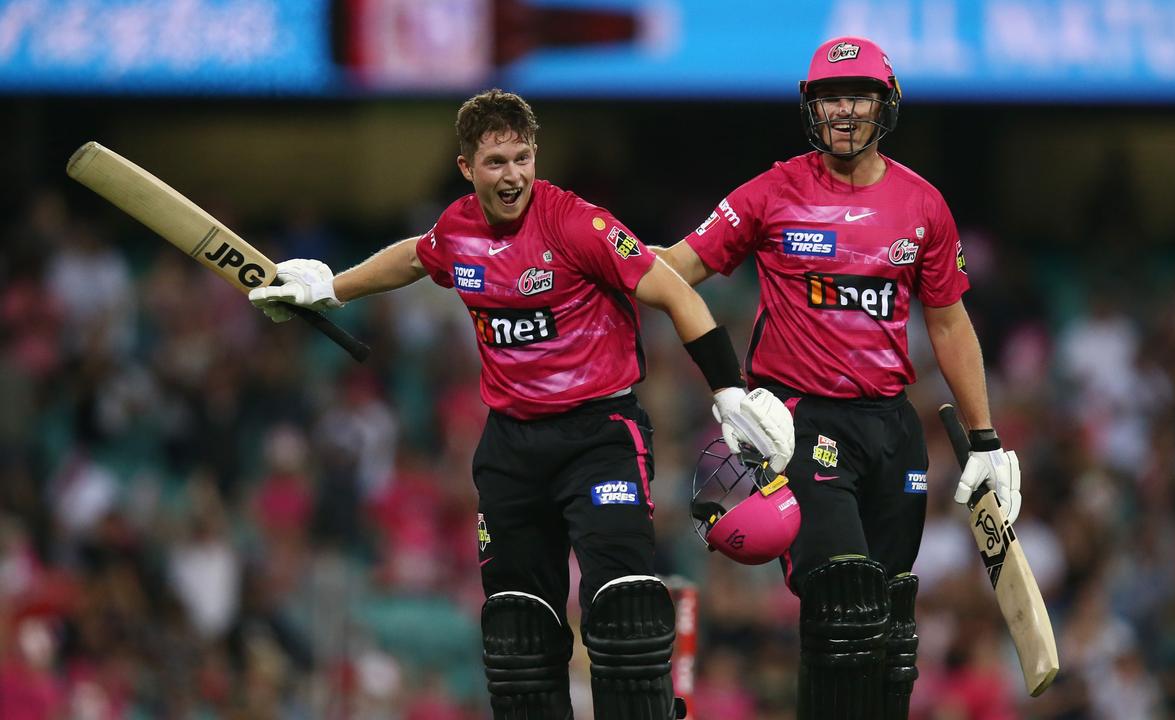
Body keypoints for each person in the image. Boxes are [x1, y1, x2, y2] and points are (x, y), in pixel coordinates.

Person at [246, 89, 793, 720]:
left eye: (523, 158)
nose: (513, 176)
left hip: (600, 438)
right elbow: (418, 255)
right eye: (497, 162)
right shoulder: (458, 229)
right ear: (466, 169)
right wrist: (330, 288)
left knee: (623, 609)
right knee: (517, 634)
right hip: (511, 447)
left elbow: (677, 294)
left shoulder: (578, 224)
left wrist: (727, 388)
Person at [653, 37, 1022, 719]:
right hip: (800, 422)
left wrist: (986, 440)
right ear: (810, 107)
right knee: (844, 603)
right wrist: (590, 256)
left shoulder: (923, 205)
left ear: (886, 104)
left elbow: (948, 324)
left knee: (886, 624)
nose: (843, 110)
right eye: (829, 97)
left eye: (857, 95)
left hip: (892, 430)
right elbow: (675, 266)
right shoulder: (772, 192)